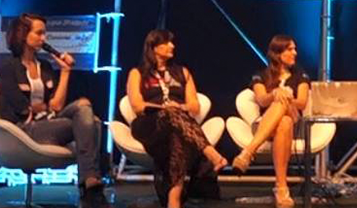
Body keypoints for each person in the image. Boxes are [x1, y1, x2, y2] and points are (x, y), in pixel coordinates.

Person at [0, 13, 104, 200]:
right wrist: (38, 108)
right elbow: (21, 107)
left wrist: (65, 72)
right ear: (23, 35)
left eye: (44, 33)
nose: (43, 38)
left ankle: (89, 180)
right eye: (39, 33)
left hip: (48, 121)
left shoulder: (44, 66)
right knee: (92, 124)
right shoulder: (8, 68)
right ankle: (89, 183)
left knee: (84, 106)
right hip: (24, 129)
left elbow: (56, 105)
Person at [127, 29, 227, 208]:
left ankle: (174, 199)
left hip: (179, 125)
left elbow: (194, 106)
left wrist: (180, 107)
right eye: (166, 42)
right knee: (170, 114)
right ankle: (211, 153)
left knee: (176, 138)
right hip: (149, 124)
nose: (172, 46)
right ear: (154, 47)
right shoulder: (138, 73)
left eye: (172, 42)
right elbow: (137, 105)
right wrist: (164, 108)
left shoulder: (182, 72)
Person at [231, 35, 310, 208]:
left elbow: (302, 103)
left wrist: (286, 96)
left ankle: (248, 152)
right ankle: (282, 188)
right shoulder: (260, 75)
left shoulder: (301, 76)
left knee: (285, 111)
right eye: (290, 49)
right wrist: (275, 94)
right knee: (283, 121)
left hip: (294, 120)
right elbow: (261, 100)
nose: (295, 53)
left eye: (295, 49)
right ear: (278, 53)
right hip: (264, 125)